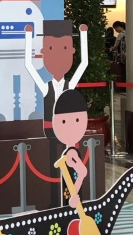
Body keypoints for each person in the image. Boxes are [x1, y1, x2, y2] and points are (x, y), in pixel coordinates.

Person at [25, 20, 88, 207]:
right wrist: (28, 37)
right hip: (51, 134)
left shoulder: (70, 85)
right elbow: (29, 65)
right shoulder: (46, 88)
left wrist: (83, 35)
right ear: (44, 52)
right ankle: (57, 203)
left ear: (72, 51)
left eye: (65, 48)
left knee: (70, 168)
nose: (59, 55)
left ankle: (71, 200)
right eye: (51, 49)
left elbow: (84, 63)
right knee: (54, 168)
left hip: (69, 137)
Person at [52, 89, 89, 208]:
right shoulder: (71, 152)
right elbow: (82, 172)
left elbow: (82, 172)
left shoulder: (72, 152)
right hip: (71, 193)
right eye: (63, 121)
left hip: (72, 195)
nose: (70, 126)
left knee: (71, 212)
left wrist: (74, 195)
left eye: (77, 120)